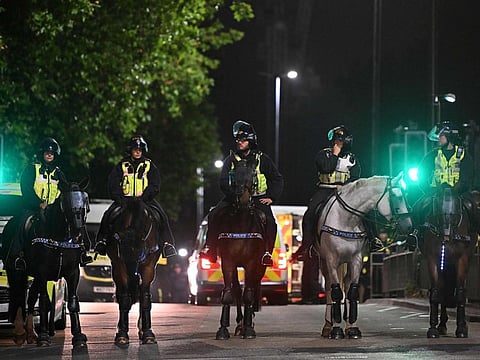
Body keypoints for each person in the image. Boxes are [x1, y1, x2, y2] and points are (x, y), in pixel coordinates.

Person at [199, 120, 284, 266]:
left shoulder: (262, 159)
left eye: (243, 140)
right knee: (213, 215)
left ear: (251, 140)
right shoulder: (230, 160)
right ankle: (210, 248)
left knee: (271, 223)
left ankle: (267, 253)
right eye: (238, 140)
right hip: (233, 198)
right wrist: (233, 196)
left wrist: (271, 197)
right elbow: (223, 181)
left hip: (258, 199)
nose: (240, 142)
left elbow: (277, 178)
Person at [10, 138, 92, 268]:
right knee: (22, 223)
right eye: (47, 152)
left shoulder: (58, 172)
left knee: (77, 220)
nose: (49, 155)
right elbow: (26, 189)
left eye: (52, 153)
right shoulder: (32, 169)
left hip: (53, 211)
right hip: (34, 208)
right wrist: (38, 203)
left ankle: (82, 251)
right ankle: (18, 256)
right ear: (42, 154)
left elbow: (65, 190)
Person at [94, 135, 176, 257]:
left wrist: (146, 196)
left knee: (162, 216)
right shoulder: (122, 165)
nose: (137, 151)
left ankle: (167, 244)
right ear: (130, 150)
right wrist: (117, 197)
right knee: (108, 215)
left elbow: (155, 183)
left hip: (145, 200)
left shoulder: (149, 165)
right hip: (124, 200)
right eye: (135, 149)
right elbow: (113, 181)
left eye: (140, 149)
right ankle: (102, 242)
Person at [292, 125, 361, 261]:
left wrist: (347, 188)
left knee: (362, 211)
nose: (344, 142)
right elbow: (327, 168)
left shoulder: (353, 159)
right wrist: (335, 154)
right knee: (310, 214)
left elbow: (355, 178)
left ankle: (372, 240)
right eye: (341, 140)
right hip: (325, 189)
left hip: (344, 193)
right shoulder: (323, 155)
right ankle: (307, 247)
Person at [413, 121, 474, 234]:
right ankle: (415, 236)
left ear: (450, 136)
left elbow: (468, 174)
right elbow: (421, 173)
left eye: (441, 135)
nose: (438, 138)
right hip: (436, 192)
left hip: (459, 192)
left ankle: (474, 232)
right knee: (418, 207)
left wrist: (460, 187)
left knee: (472, 206)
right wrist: (428, 189)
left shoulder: (463, 154)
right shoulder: (433, 155)